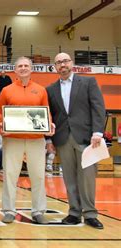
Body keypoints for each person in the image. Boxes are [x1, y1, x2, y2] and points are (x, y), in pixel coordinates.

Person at [46, 52, 106, 229]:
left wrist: (98, 132)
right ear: (55, 67)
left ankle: (90, 213)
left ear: (71, 63)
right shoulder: (51, 89)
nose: (62, 65)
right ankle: (74, 212)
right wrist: (49, 139)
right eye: (58, 62)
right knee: (69, 177)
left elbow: (98, 108)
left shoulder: (88, 82)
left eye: (65, 61)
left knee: (87, 177)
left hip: (87, 138)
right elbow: (51, 116)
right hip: (63, 138)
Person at [0, 56, 53, 224]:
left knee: (38, 175)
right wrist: (2, 127)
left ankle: (38, 211)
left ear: (31, 69)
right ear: (15, 70)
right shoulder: (7, 90)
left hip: (36, 139)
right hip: (13, 139)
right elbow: (0, 112)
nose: (23, 68)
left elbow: (46, 112)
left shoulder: (41, 90)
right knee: (9, 175)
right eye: (20, 66)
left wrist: (49, 124)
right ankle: (8, 210)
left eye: (26, 65)